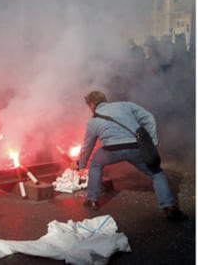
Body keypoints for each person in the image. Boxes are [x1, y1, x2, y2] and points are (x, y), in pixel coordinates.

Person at [71, 91, 187, 221]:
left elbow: (88, 146)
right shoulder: (125, 106)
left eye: (89, 106)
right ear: (104, 100)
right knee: (157, 173)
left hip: (111, 150)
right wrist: (152, 142)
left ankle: (92, 200)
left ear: (91, 104)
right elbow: (148, 117)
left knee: (96, 163)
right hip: (135, 147)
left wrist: (81, 164)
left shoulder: (93, 121)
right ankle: (169, 207)